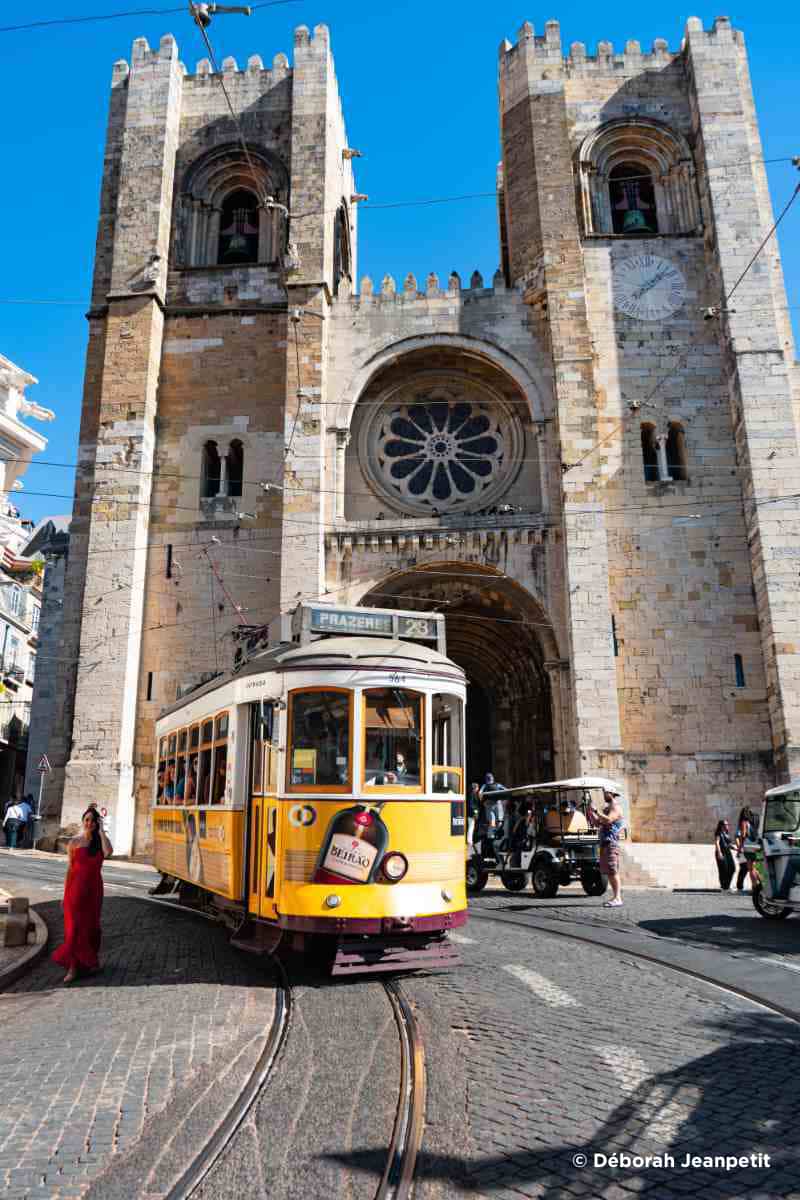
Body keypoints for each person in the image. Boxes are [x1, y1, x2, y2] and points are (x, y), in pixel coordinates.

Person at [52, 806, 113, 984]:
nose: (89, 823)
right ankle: (72, 968)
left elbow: (108, 852)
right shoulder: (74, 842)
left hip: (94, 891)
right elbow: (69, 870)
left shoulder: (100, 842)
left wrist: (101, 832)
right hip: (75, 892)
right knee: (74, 930)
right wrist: (64, 896)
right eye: (86, 820)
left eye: (93, 821)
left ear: (97, 823)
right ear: (82, 821)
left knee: (92, 928)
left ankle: (89, 962)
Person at [589, 786, 625, 907]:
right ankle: (616, 897)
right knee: (609, 871)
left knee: (612, 871)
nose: (604, 795)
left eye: (605, 793)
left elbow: (609, 820)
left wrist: (596, 812)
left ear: (611, 793)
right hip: (604, 843)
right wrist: (591, 812)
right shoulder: (607, 808)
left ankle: (617, 898)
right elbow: (597, 823)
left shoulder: (616, 807)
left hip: (611, 843)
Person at [735, 806, 758, 892]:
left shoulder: (743, 822)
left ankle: (755, 887)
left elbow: (743, 835)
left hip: (748, 846)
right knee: (754, 867)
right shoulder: (752, 822)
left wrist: (739, 849)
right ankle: (759, 885)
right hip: (755, 845)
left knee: (750, 868)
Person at [714, 819, 735, 891]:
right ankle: (724, 886)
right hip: (721, 852)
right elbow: (717, 842)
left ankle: (727, 885)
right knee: (723, 869)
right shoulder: (719, 833)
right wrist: (719, 852)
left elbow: (729, 844)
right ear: (721, 826)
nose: (727, 826)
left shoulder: (727, 833)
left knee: (732, 868)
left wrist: (736, 849)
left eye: (727, 824)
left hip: (728, 852)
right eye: (725, 824)